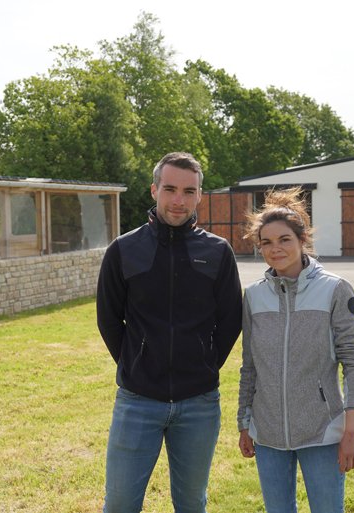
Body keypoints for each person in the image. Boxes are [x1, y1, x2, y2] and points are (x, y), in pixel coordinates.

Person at [97, 151, 243, 512]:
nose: (179, 200)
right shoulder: (124, 250)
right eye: (170, 189)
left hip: (199, 404)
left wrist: (203, 364)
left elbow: (230, 320)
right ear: (154, 190)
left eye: (189, 191)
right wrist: (137, 361)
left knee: (192, 503)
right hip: (137, 401)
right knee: (119, 504)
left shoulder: (218, 251)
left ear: (199, 196)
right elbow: (109, 319)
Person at [236, 188, 354, 513]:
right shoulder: (253, 296)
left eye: (284, 239)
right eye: (266, 242)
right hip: (267, 434)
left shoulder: (335, 289)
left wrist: (352, 431)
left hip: (322, 432)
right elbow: (249, 365)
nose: (275, 249)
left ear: (302, 239)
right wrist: (244, 422)